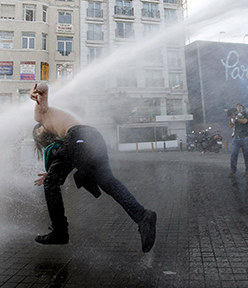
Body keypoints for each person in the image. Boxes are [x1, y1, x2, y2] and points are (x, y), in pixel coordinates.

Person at [30, 83, 157, 252]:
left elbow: (44, 88)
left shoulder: (41, 116)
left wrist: (36, 91)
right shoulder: (61, 135)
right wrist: (53, 173)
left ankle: (60, 232)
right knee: (108, 182)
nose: (40, 136)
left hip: (79, 136)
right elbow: (68, 158)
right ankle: (142, 216)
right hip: (92, 136)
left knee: (51, 184)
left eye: (37, 134)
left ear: (38, 128)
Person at [229, 103, 248, 176]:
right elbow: (231, 126)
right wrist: (230, 118)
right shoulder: (235, 116)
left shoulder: (246, 115)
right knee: (233, 154)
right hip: (236, 137)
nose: (239, 109)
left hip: (244, 137)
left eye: (240, 108)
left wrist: (236, 118)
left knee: (246, 155)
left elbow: (244, 121)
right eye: (238, 108)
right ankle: (233, 170)